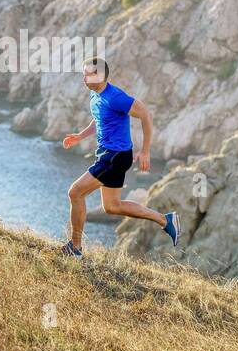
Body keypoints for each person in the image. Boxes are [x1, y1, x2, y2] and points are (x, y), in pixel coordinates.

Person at [60, 57, 179, 256]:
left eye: (89, 74)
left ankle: (76, 247)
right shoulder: (95, 95)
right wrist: (81, 136)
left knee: (75, 193)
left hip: (114, 157)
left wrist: (146, 150)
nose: (85, 79)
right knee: (112, 207)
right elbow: (99, 118)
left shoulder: (116, 97)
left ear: (102, 76)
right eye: (84, 74)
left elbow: (146, 115)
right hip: (109, 154)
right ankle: (165, 220)